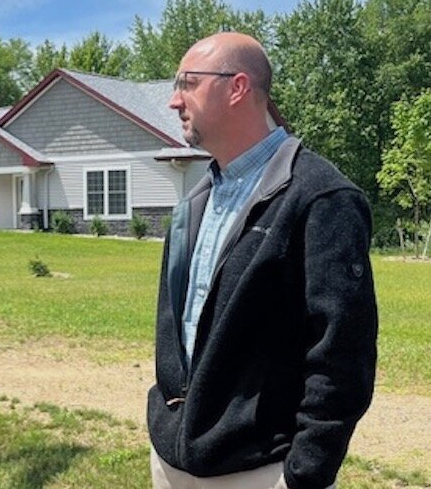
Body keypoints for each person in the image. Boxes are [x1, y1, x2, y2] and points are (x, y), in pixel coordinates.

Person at [147, 32, 378, 489]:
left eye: (187, 83)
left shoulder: (320, 197)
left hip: (261, 470)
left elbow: (343, 353)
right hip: (174, 461)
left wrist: (305, 472)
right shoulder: (196, 202)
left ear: (237, 88)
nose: (174, 101)